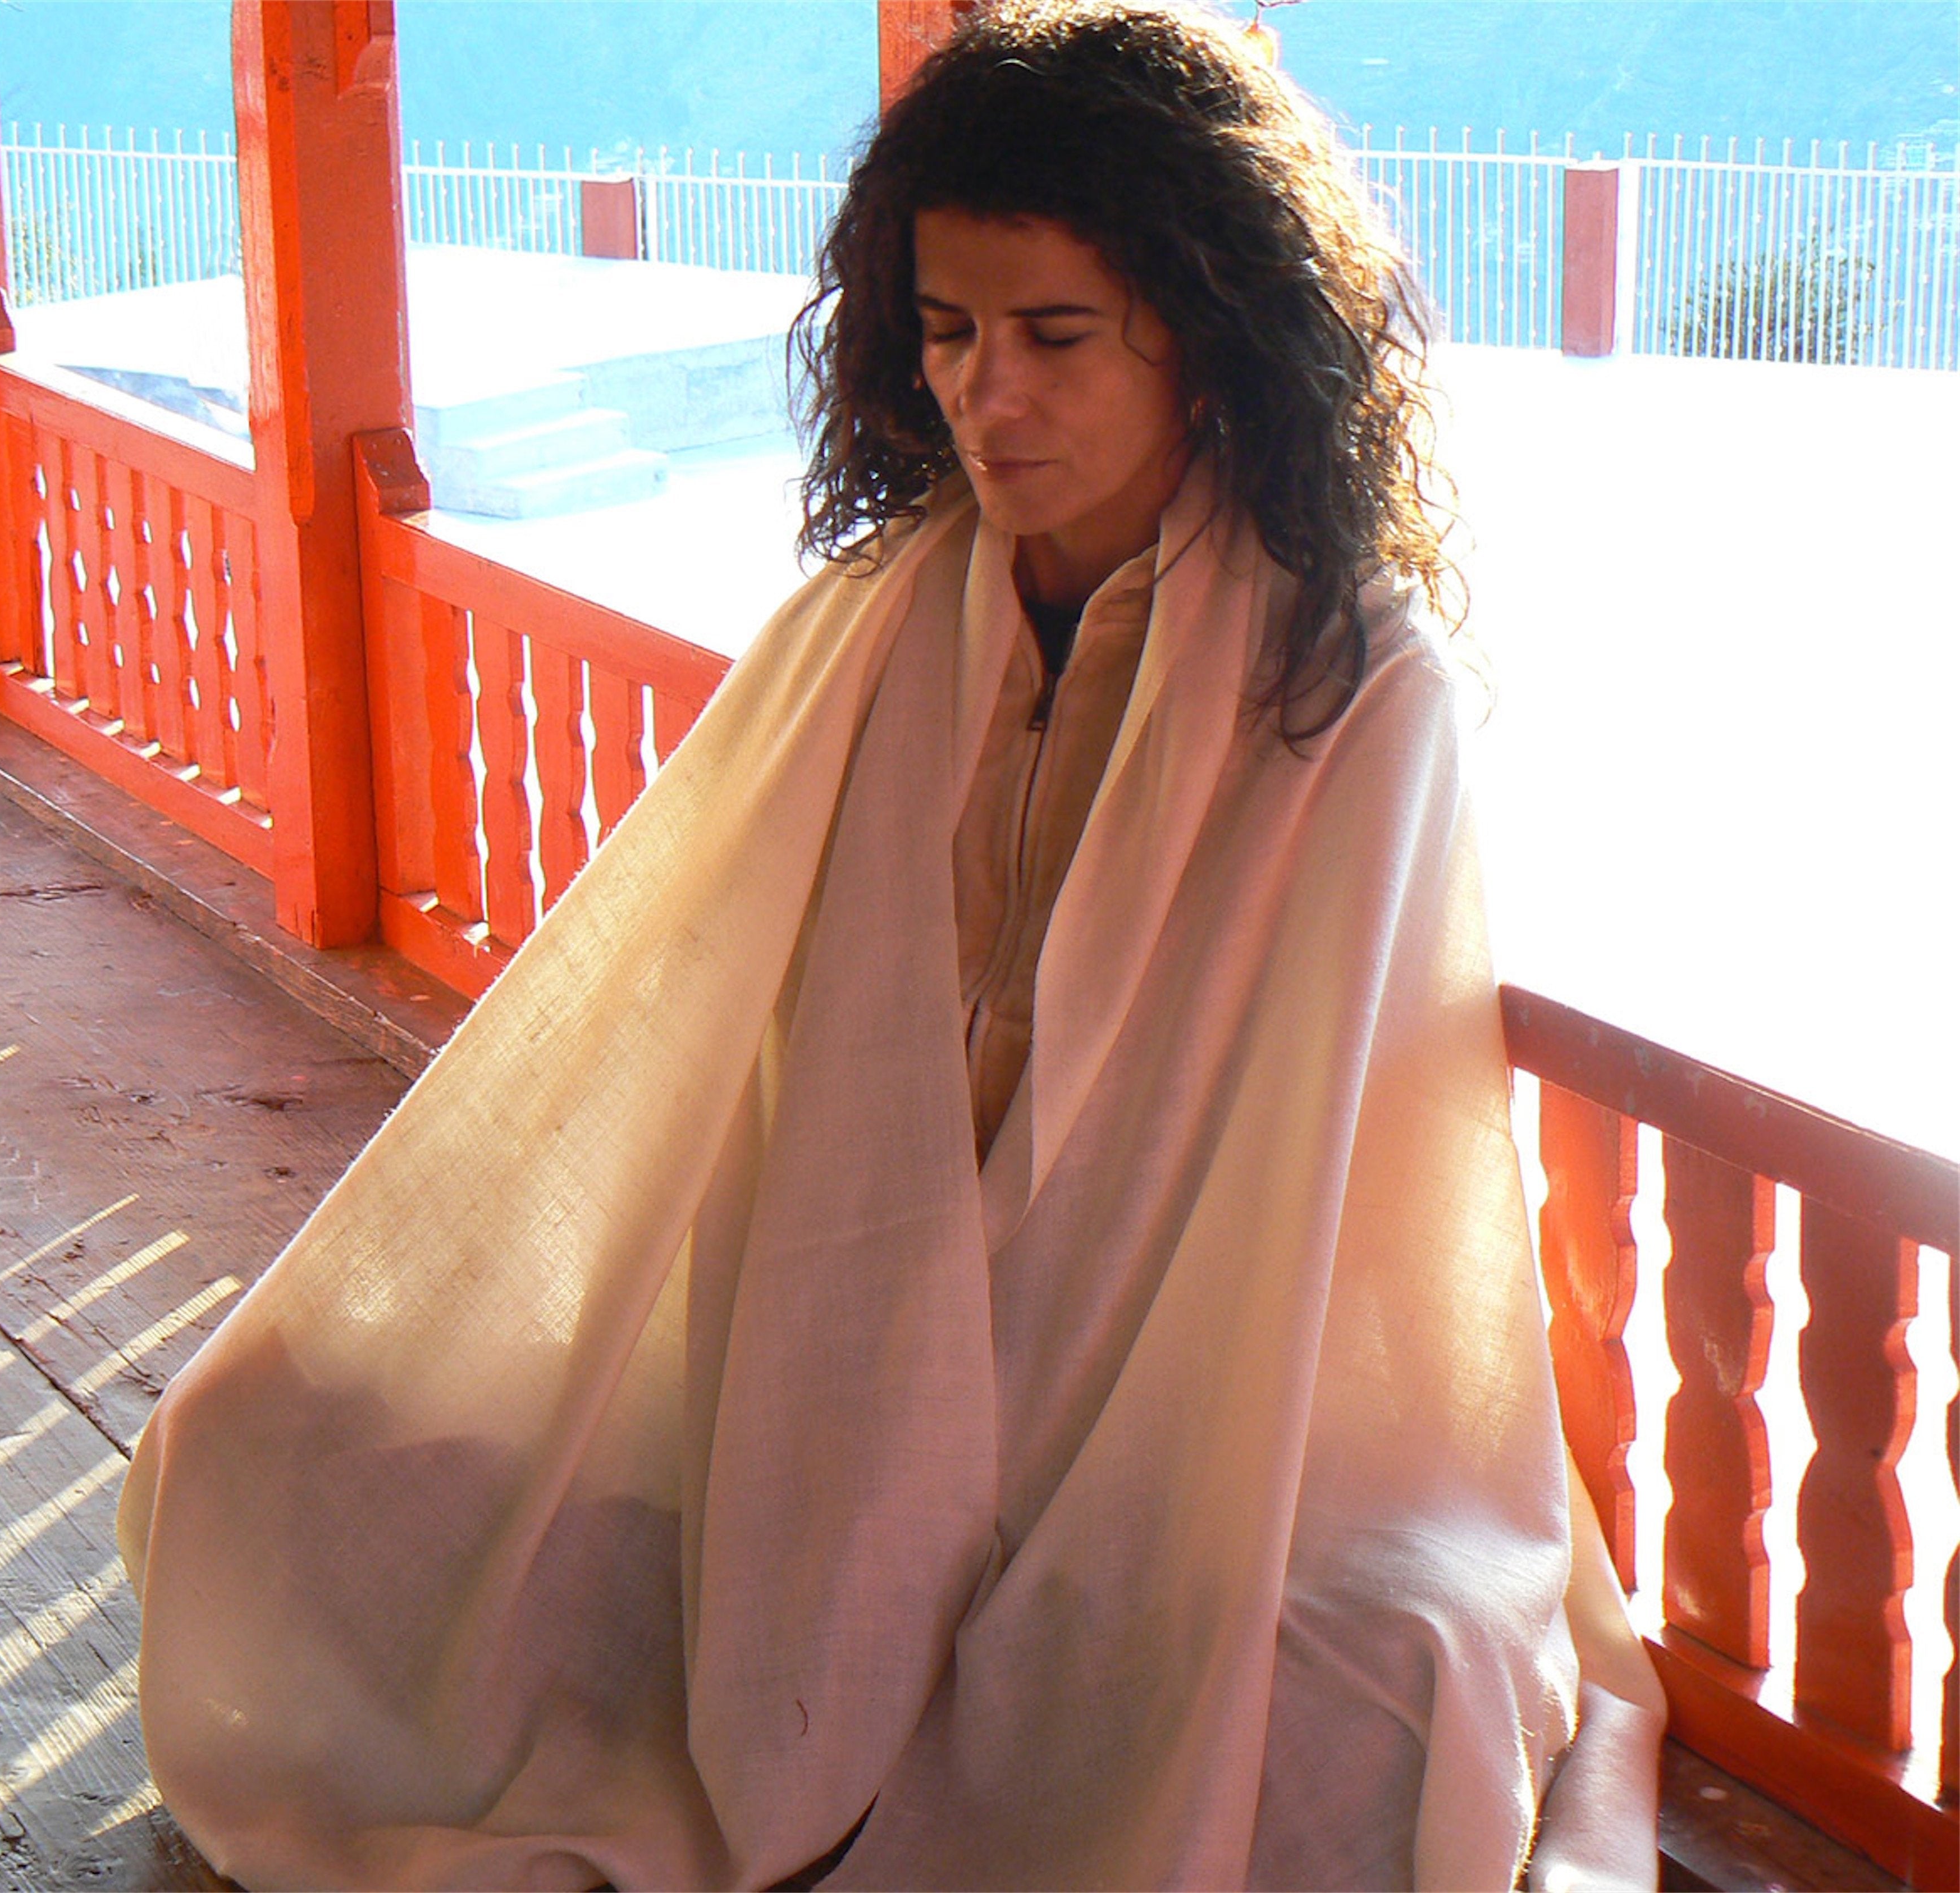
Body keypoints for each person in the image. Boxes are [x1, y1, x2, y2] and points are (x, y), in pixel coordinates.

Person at [117, 3, 1664, 1885]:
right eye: (945, 335)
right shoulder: (872, 621)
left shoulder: (1354, 695)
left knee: (1349, 1696)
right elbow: (655, 1019)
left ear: (1211, 332)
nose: (986, 397)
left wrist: (1010, 1425)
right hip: (838, 1309)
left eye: (1053, 338)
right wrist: (841, 1371)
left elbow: (1296, 1189)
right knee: (276, 1440)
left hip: (1187, 1386)